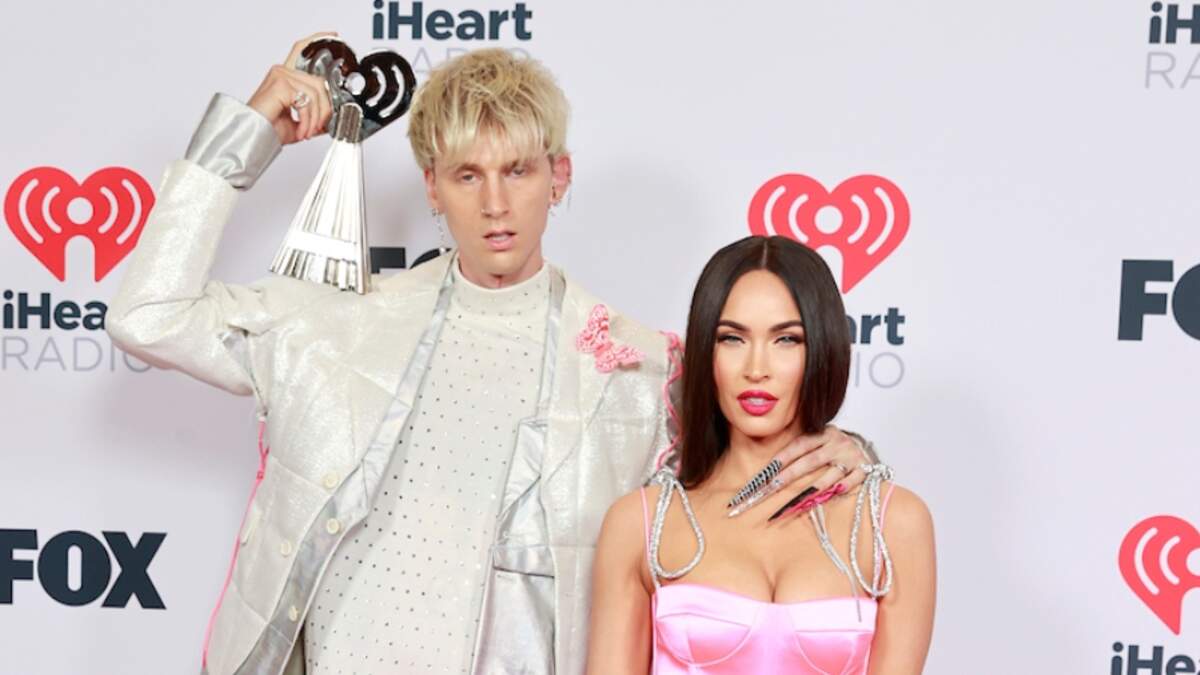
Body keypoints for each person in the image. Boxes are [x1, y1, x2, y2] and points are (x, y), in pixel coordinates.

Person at [105, 32, 876, 675]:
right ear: (432, 187)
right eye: (467, 175)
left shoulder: (639, 372)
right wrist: (249, 134)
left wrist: (844, 452)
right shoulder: (333, 323)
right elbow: (147, 315)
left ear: (559, 177)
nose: (496, 204)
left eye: (518, 170)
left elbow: (736, 500)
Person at [587, 235, 936, 674]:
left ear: (823, 348)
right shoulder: (639, 524)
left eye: (786, 339)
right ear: (706, 351)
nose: (756, 369)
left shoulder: (894, 522)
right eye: (732, 338)